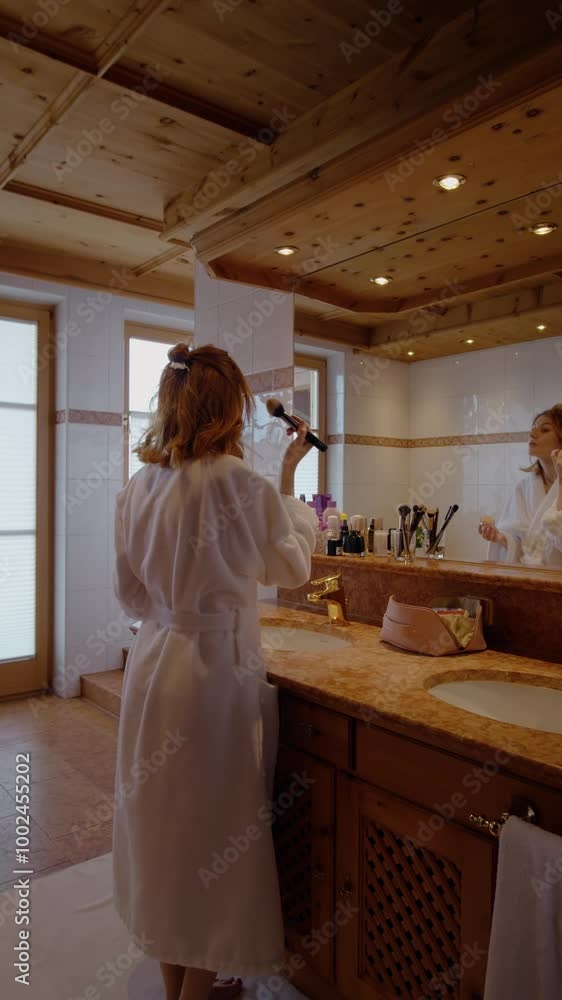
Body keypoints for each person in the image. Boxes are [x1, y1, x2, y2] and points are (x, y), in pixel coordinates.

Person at [112, 343, 317, 1000]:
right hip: (212, 677)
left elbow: (130, 597)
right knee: (214, 839)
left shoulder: (138, 487)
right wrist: (290, 487)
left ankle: (180, 985)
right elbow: (292, 569)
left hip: (152, 669)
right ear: (232, 408)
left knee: (163, 833)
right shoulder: (242, 484)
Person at [478, 405, 562, 567]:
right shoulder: (523, 487)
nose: (532, 434)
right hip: (529, 577)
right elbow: (519, 542)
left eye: (545, 430)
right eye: (533, 428)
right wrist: (499, 537)